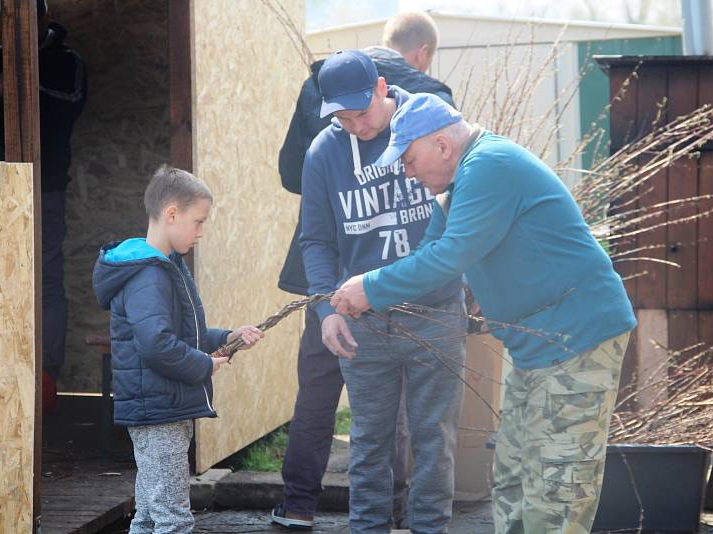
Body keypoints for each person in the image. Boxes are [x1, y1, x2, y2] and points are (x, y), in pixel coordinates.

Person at [331, 93, 638, 534]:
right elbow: (431, 254)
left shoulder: (489, 165)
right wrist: (368, 293)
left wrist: (371, 287)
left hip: (576, 339)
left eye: (410, 159)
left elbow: (450, 256)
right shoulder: (458, 186)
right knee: (512, 480)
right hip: (535, 347)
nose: (408, 172)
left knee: (556, 489)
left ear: (442, 145)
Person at [273, 12, 455, 531]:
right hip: (359, 314)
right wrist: (328, 306)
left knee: (432, 437)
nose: (355, 124)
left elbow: (462, 214)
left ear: (381, 87)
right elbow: (315, 237)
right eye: (342, 117)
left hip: (433, 308)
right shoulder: (325, 150)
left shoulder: (431, 123)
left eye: (360, 113)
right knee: (370, 442)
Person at [92, 165, 263, 534]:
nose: (201, 232)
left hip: (161, 406)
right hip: (159, 412)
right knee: (172, 517)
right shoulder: (148, 274)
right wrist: (204, 365)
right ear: (172, 214)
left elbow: (185, 333)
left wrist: (228, 337)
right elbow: (157, 345)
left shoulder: (166, 266)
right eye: (198, 221)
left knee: (151, 515)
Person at [0, 0, 87, 412]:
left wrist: (15, 85)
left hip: (45, 185)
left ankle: (46, 381)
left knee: (45, 278)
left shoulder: (66, 60)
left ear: (41, 15)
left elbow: (70, 103)